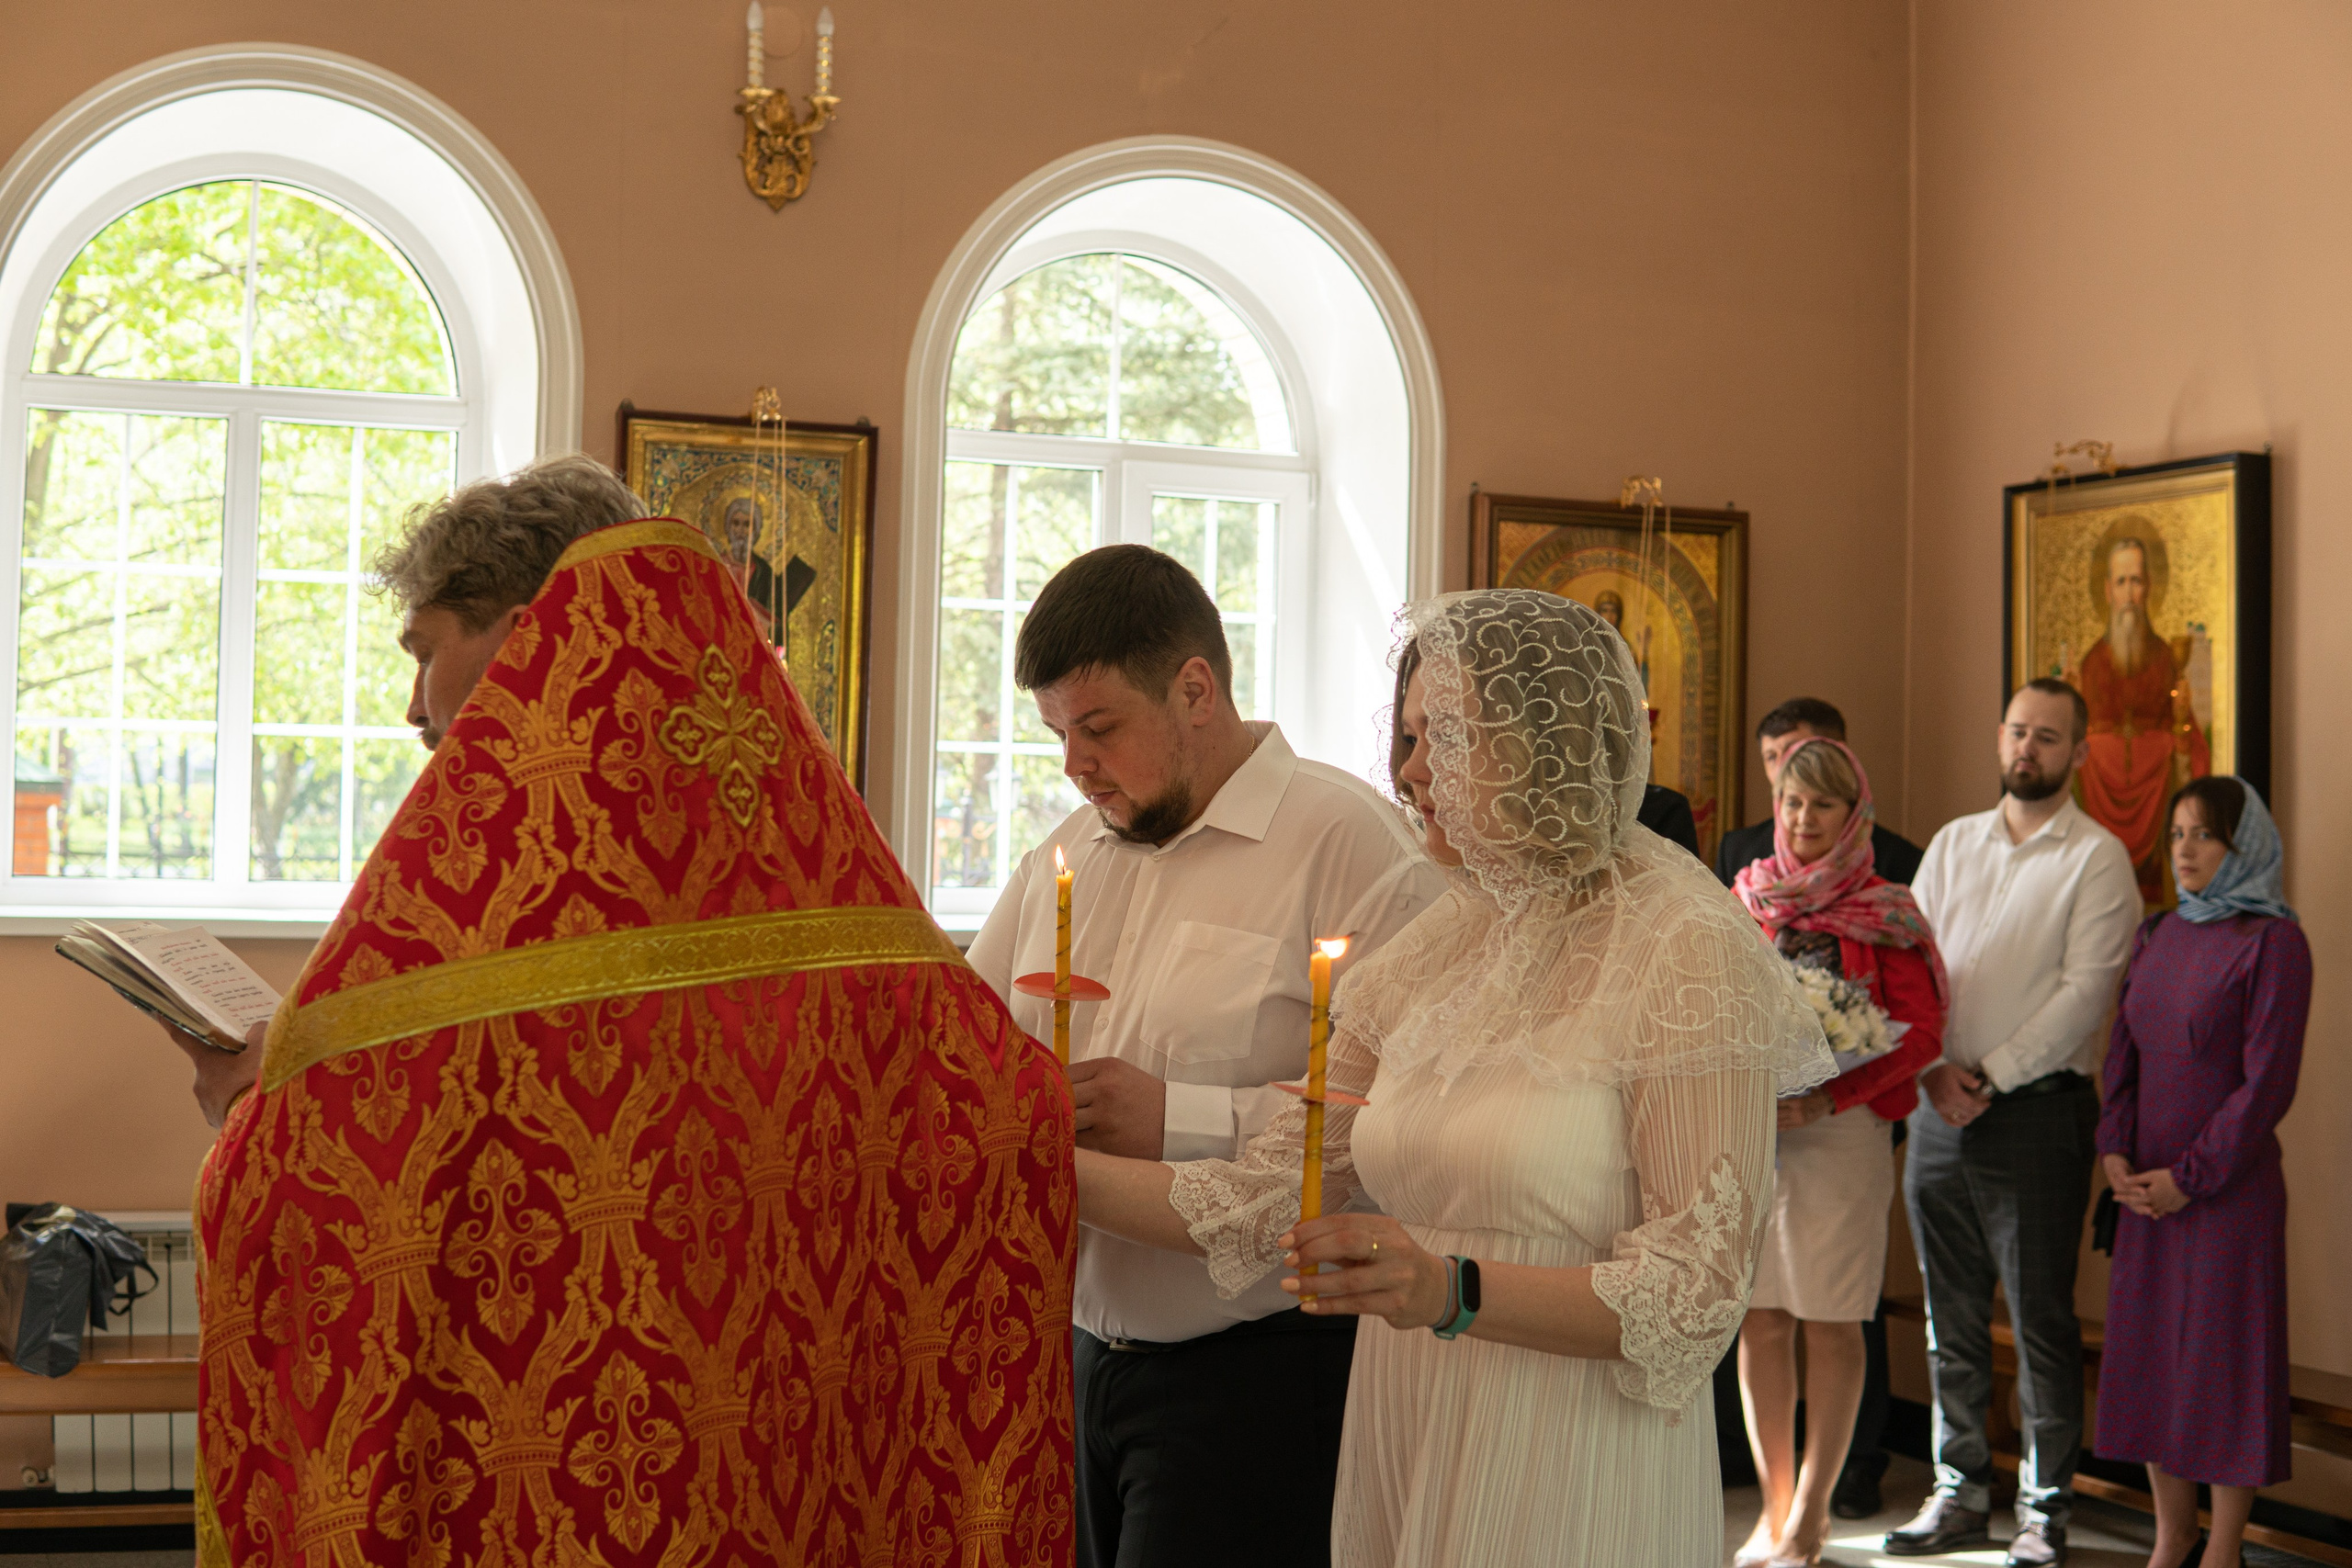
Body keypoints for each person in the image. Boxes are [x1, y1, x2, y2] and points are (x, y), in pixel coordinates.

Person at [159, 457, 1077, 1566]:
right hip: (784, 1473)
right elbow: (1001, 1103)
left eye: (423, 650)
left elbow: (327, 1204)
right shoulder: (807, 851)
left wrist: (248, 1113)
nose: (412, 704)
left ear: (518, 631)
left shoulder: (480, 905)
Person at [1074, 588, 1832, 1566]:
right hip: (1413, 1415)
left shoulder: (1681, 946)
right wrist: (1043, 1167)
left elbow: (1695, 1293)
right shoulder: (1430, 951)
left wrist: (1449, 1290)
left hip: (1571, 1445)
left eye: (1447, 736)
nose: (1411, 771)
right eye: (1407, 736)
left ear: (1541, 739)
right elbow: (1264, 1196)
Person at [967, 545, 1445, 1568]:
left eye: (1097, 729)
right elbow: (967, 1037)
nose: (1073, 765)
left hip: (1258, 1375)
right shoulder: (1070, 849)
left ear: (1194, 689)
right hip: (1076, 1359)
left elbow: (1390, 1129)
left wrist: (1175, 1117)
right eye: (1055, 734)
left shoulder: (1349, 848)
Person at [1887, 679, 2140, 1567]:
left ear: (2076, 752)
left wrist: (1986, 1075)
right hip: (1937, 1113)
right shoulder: (1954, 844)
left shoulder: (2097, 858)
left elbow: (2085, 995)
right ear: (2000, 739)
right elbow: (1906, 964)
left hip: (2036, 1117)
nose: (2028, 748)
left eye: (2048, 737)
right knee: (1946, 1316)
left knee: (2038, 1320)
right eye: (2018, 732)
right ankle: (1959, 1492)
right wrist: (1928, 1069)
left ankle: (2044, 1509)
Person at [1730, 737, 1948, 1567]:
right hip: (1760, 1133)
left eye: (1823, 803)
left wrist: (1830, 1093)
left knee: (1829, 1318)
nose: (1804, 818)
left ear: (1853, 813)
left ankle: (1815, 1514)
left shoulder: (1887, 908)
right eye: (1792, 801)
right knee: (1762, 1316)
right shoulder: (1747, 900)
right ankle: (1772, 1507)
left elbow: (1922, 1030)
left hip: (1844, 1137)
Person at [2096, 777, 2309, 1568]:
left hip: (2226, 1196)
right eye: (2177, 832)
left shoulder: (2273, 941)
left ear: (2243, 846)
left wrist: (2192, 1175)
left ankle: (2223, 1548)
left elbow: (2268, 1086)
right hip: (2146, 1193)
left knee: (2222, 1365)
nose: (2183, 848)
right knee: (2152, 1363)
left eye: (2204, 835)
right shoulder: (2158, 933)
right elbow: (2122, 1055)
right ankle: (2171, 1535)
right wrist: (2115, 1151)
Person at [2068, 536, 2211, 904]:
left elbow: (2188, 737)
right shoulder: (2093, 663)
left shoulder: (2165, 658)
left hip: (2155, 796)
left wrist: (2178, 731)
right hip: (2101, 789)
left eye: (2136, 581)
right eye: (2121, 582)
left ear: (2148, 587)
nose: (2129, 593)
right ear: (2107, 590)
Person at [1715, 697, 1923, 888]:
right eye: (1771, 757)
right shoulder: (1737, 852)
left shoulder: (1901, 862)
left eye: (1795, 751)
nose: (1782, 768)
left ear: (1838, 754)